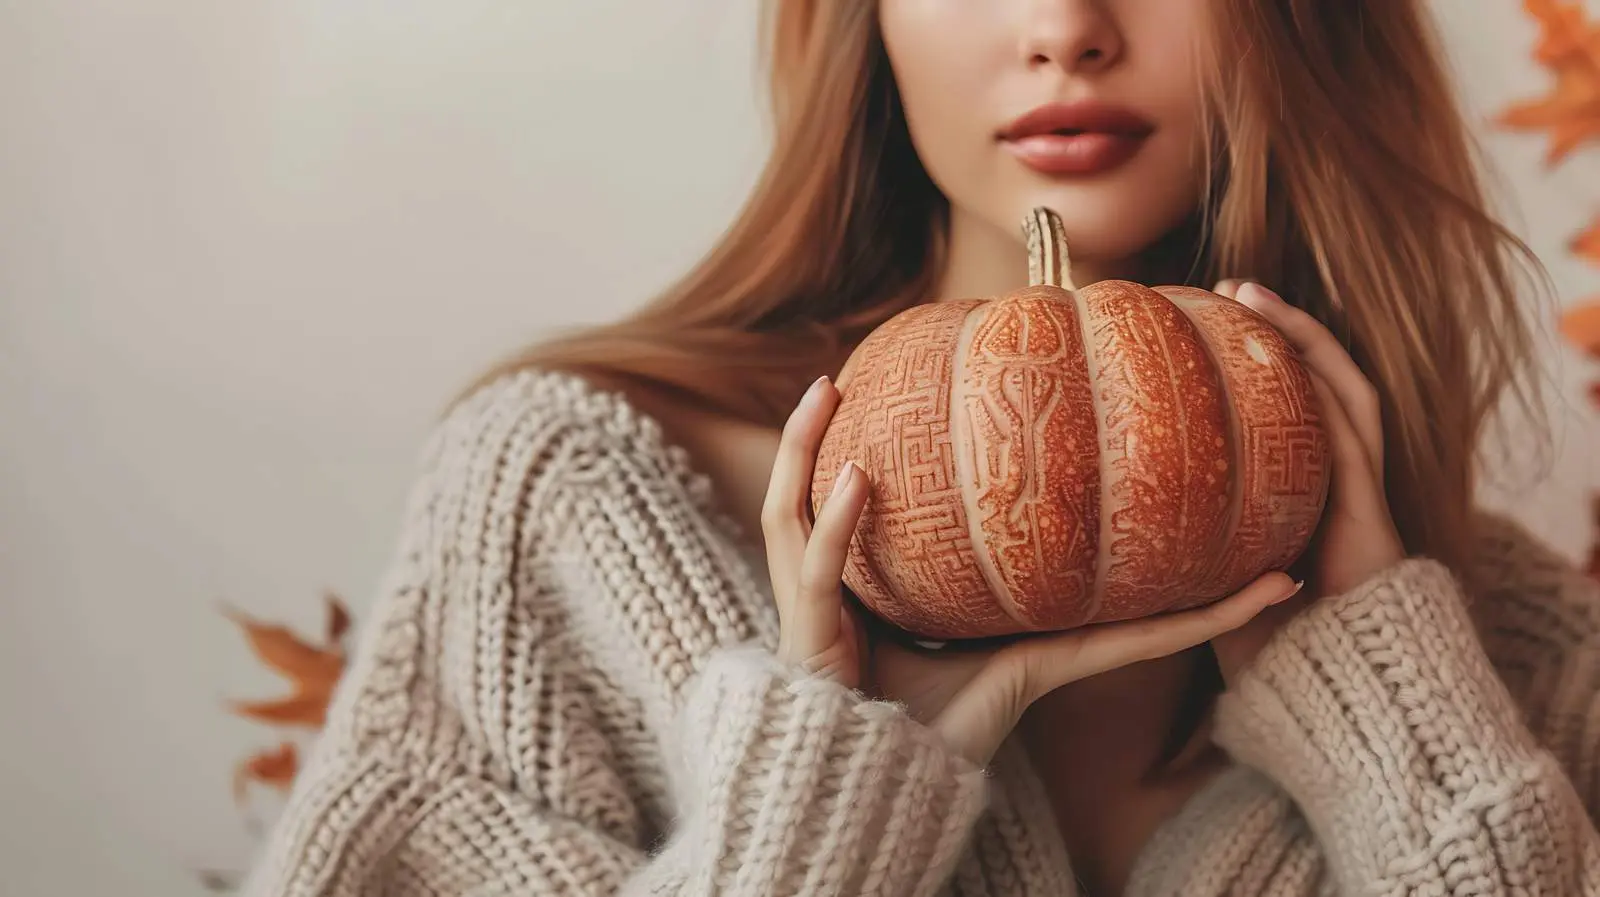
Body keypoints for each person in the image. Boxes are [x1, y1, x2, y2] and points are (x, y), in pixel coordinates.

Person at [243, 2, 1600, 895]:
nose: (1068, 26)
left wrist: (1396, 720)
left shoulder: (1515, 645)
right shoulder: (573, 498)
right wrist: (827, 792)